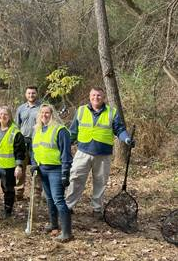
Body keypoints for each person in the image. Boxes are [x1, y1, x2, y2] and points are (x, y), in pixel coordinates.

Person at [65, 87, 135, 219]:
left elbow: (119, 130)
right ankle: (68, 206)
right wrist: (64, 144)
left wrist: (127, 139)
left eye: (99, 95)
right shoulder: (80, 111)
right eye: (93, 95)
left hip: (103, 154)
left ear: (104, 97)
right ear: (89, 96)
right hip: (83, 152)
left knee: (100, 182)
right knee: (75, 179)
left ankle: (97, 209)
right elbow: (73, 132)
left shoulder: (111, 112)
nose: (96, 98)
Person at [31, 104, 73, 242]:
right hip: (42, 169)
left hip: (56, 169)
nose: (44, 115)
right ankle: (53, 224)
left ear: (53, 114)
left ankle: (67, 233)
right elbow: (34, 150)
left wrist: (65, 173)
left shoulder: (60, 130)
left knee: (58, 200)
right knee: (49, 199)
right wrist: (34, 164)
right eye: (42, 112)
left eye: (47, 112)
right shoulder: (37, 130)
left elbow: (66, 154)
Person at [15, 86, 42, 198]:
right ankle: (18, 192)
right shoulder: (21, 108)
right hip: (23, 141)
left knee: (36, 168)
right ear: (26, 94)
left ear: (37, 94)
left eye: (33, 93)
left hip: (37, 142)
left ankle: (36, 193)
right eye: (29, 93)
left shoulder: (41, 108)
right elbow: (17, 125)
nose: (31, 95)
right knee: (20, 166)